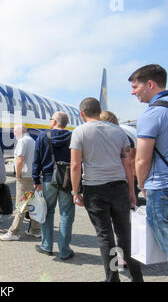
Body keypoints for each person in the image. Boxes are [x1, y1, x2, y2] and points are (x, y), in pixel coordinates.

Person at [70, 97, 143, 282]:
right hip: (119, 187)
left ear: (82, 114)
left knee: (105, 236)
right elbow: (128, 165)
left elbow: (75, 166)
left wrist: (75, 192)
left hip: (94, 189)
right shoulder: (119, 132)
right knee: (125, 234)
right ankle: (137, 277)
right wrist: (132, 192)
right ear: (99, 110)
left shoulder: (79, 132)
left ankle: (113, 278)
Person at [129, 64, 168, 258]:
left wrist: (141, 184)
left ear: (150, 84)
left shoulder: (151, 114)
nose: (132, 92)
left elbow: (142, 160)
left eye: (135, 87)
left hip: (161, 186)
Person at [32, 112, 75, 260]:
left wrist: (35, 180)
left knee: (47, 212)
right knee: (66, 214)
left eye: (50, 119)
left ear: (55, 121)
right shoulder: (72, 136)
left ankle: (46, 246)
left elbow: (36, 160)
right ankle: (64, 250)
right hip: (67, 181)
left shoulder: (43, 136)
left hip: (48, 180)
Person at [0, 125, 41, 241]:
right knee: (33, 204)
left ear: (21, 131)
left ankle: (14, 232)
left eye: (15, 132)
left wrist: (17, 175)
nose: (14, 135)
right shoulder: (32, 141)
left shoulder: (23, 141)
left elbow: (20, 160)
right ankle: (35, 230)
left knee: (21, 206)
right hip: (32, 177)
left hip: (25, 179)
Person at [100, 111, 145, 207]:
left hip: (104, 182)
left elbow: (131, 164)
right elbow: (130, 164)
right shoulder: (122, 136)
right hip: (118, 180)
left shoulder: (124, 135)